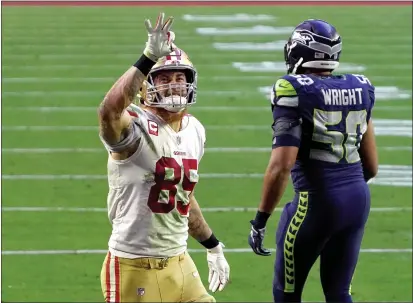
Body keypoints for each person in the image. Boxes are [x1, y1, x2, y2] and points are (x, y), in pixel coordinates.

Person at [97, 12, 230, 303]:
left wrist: (212, 245)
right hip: (134, 267)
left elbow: (182, 195)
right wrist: (147, 58)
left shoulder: (194, 130)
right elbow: (108, 112)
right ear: (146, 86)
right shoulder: (135, 124)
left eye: (180, 77)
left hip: (180, 263)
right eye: (164, 78)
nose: (174, 85)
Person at [248, 19, 378, 303]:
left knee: (287, 295)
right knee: (339, 293)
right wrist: (345, 190)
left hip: (316, 203)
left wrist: (260, 219)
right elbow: (371, 166)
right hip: (357, 199)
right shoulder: (362, 87)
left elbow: (281, 166)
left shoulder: (293, 89)